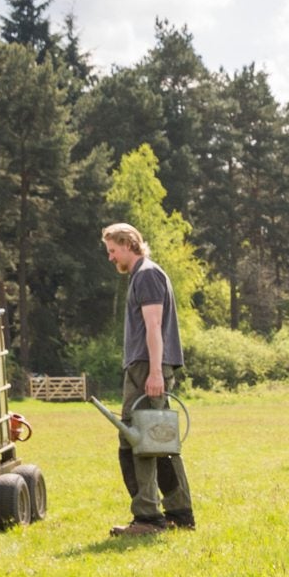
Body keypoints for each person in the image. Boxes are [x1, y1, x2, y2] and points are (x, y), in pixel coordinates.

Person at [101, 223, 194, 536]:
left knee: (140, 441)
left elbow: (154, 327)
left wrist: (155, 372)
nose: (111, 258)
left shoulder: (147, 275)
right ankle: (179, 514)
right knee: (159, 439)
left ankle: (148, 518)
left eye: (113, 251)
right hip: (144, 367)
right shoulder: (143, 275)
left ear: (128, 244)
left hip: (147, 368)